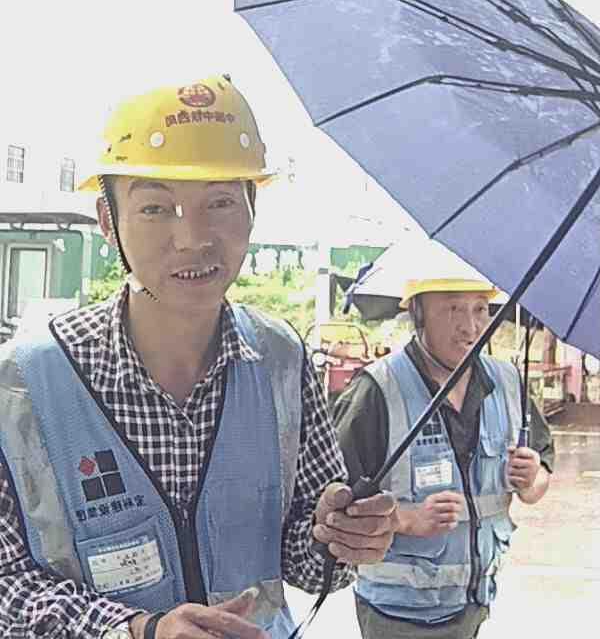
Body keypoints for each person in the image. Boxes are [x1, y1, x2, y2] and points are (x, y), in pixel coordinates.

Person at [0, 76, 398, 639]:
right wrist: (138, 629)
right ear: (109, 220)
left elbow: (306, 563)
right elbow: (7, 585)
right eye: (156, 207)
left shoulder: (281, 359)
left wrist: (341, 538)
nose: (192, 238)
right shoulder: (21, 384)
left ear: (252, 208)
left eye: (220, 202)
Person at [333, 272, 555, 639]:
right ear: (418, 313)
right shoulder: (377, 390)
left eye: (480, 309)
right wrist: (407, 519)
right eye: (453, 309)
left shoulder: (507, 382)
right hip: (398, 614)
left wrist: (532, 479)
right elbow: (335, 509)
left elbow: (541, 476)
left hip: (474, 604)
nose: (470, 327)